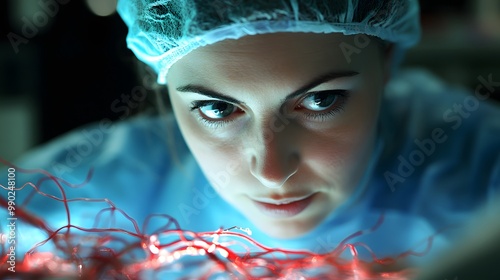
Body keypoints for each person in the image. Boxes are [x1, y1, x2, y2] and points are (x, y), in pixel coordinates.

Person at [1, 0, 499, 278]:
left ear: (388, 63)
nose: (271, 169)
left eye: (322, 102)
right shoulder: (93, 185)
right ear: (164, 89)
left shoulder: (471, 160)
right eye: (218, 109)